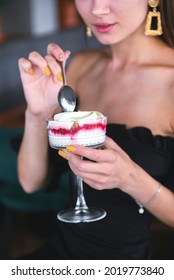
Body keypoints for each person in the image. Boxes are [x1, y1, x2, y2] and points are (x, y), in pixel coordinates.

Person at [17, 0, 174, 259]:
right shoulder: (79, 68)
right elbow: (30, 183)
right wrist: (37, 114)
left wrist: (130, 179)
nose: (98, 8)